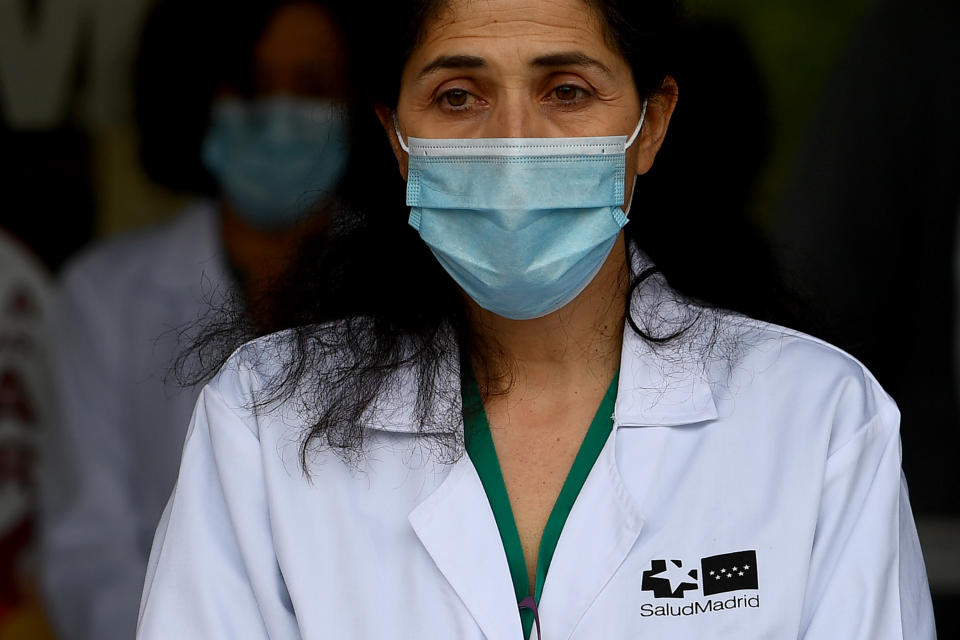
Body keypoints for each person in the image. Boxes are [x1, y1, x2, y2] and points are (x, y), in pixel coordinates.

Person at [138, 0, 937, 638]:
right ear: (397, 138)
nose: (514, 144)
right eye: (458, 96)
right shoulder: (264, 418)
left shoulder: (819, 421)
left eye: (566, 91)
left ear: (650, 126)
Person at [39, 2, 354, 639]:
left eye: (313, 87)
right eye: (252, 86)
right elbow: (87, 554)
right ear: (198, 95)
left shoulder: (419, 292)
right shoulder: (103, 297)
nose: (279, 115)